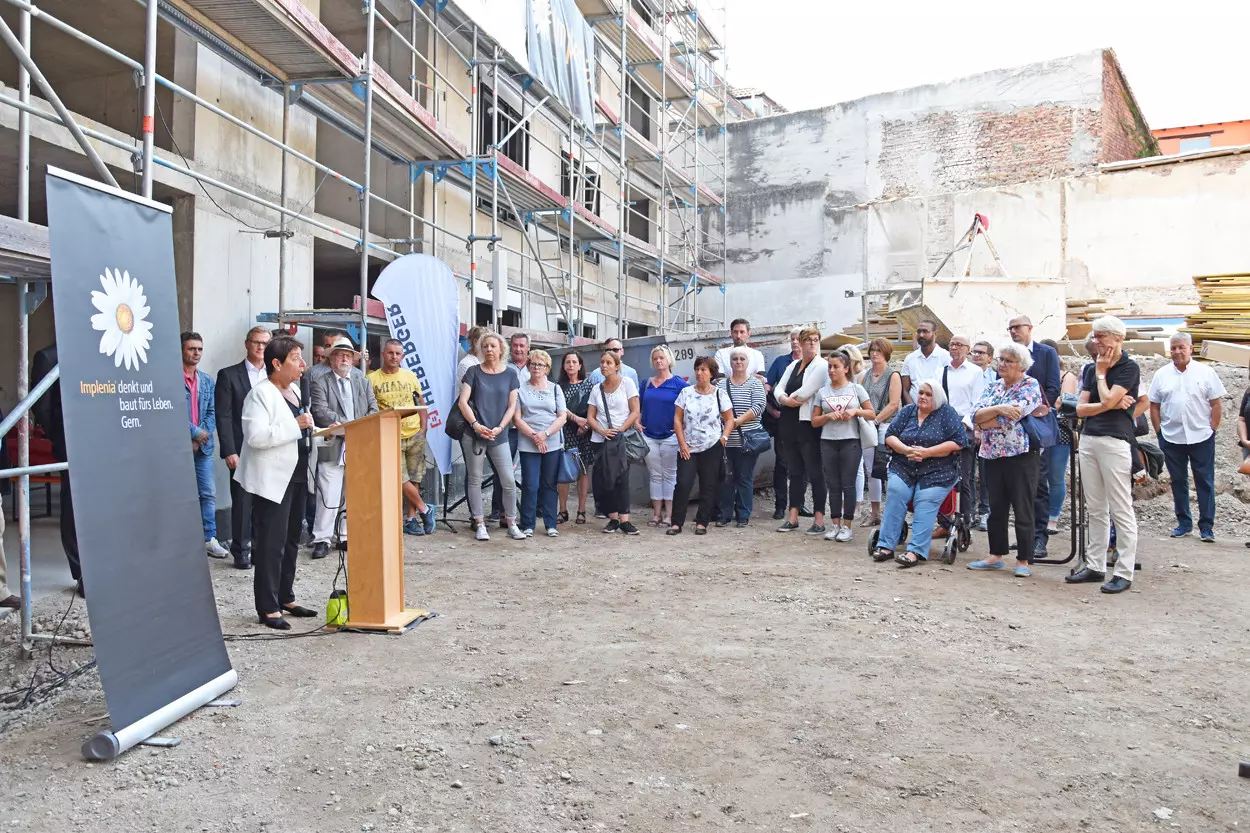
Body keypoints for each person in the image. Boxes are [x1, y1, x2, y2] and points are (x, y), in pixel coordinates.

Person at [235, 336, 318, 630]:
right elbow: (256, 437)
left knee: (293, 539)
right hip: (272, 480)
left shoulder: (295, 390)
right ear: (276, 363)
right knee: (272, 542)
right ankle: (267, 607)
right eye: (295, 358)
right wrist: (296, 426)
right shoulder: (260, 394)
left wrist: (325, 432)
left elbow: (304, 427)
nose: (301, 364)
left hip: (296, 475)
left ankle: (286, 596)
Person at [1067, 316, 1141, 594]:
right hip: (1089, 438)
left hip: (1115, 440)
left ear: (1118, 339)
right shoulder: (1088, 368)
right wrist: (1108, 403)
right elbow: (1080, 409)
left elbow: (1107, 398)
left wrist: (1101, 375)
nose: (1096, 341)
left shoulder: (1128, 367)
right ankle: (1095, 565)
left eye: (1101, 336)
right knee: (1095, 508)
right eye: (1095, 336)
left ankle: (1124, 571)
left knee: (1121, 508)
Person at [966, 343, 1045, 577]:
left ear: (1020, 365)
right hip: (991, 453)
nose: (1002, 364)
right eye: (1000, 360)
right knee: (996, 507)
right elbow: (974, 416)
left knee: (1023, 506)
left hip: (1020, 454)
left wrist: (988, 418)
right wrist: (999, 408)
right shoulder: (993, 386)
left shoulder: (1030, 385)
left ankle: (1023, 560)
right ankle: (996, 554)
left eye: (1008, 361)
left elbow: (1014, 416)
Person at [873, 381, 965, 566]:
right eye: (921, 393)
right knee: (896, 493)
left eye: (928, 394)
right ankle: (886, 545)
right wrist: (907, 450)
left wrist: (927, 452)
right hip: (904, 466)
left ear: (937, 398)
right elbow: (890, 435)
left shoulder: (947, 413)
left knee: (925, 500)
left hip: (938, 471)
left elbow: (958, 442)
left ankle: (915, 551)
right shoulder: (908, 411)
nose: (922, 396)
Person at [1149, 332, 1226, 543]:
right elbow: (1154, 405)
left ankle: (1207, 527)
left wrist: (1213, 428)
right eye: (1173, 348)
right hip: (1172, 438)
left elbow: (1216, 403)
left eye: (1181, 347)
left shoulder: (1206, 372)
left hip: (1202, 436)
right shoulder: (1161, 375)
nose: (1177, 352)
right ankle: (1184, 523)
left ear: (1191, 348)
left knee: (1205, 481)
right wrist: (1159, 432)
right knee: (1178, 481)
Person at [310, 335, 379, 558]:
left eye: (348, 356)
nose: (344, 359)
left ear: (353, 359)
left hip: (359, 443)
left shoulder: (363, 381)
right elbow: (319, 411)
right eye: (339, 355)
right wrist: (350, 425)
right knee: (328, 491)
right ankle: (322, 538)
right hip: (334, 442)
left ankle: (345, 535)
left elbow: (373, 408)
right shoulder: (321, 381)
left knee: (353, 492)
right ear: (331, 359)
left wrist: (361, 426)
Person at [458, 332, 524, 541]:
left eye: (492, 346)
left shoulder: (510, 374)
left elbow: (512, 406)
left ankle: (512, 522)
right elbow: (463, 402)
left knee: (508, 480)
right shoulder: (473, 371)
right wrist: (476, 425)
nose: (488, 350)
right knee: (475, 479)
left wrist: (500, 427)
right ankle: (479, 523)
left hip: (499, 434)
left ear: (501, 349)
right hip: (474, 434)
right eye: (485, 346)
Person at [216, 327, 271, 569]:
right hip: (241, 448)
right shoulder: (228, 375)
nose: (261, 348)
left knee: (265, 502)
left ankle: (260, 550)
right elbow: (224, 416)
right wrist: (229, 450)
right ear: (247, 344)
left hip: (270, 448)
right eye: (257, 343)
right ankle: (240, 551)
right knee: (242, 502)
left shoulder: (274, 374)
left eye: (265, 344)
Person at [368, 338, 435, 537]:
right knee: (399, 477)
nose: (394, 357)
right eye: (390, 353)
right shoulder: (372, 379)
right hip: (390, 434)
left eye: (398, 354)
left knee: (414, 478)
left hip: (414, 433)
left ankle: (411, 520)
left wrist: (424, 427)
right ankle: (425, 509)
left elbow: (420, 401)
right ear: (383, 354)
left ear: (403, 356)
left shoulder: (410, 375)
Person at [1008, 314, 1061, 558]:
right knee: (1018, 485)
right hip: (1012, 426)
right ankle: (1024, 537)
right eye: (1010, 328)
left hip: (1037, 425)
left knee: (1039, 482)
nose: (1014, 332)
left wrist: (1038, 409)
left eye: (1018, 327)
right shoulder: (1008, 354)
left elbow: (1052, 387)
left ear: (1030, 328)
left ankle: (1040, 538)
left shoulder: (1046, 353)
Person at [32, 344, 82, 595]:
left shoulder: (97, 350)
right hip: (69, 443)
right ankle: (81, 572)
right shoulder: (48, 357)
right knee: (74, 506)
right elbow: (41, 408)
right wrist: (60, 437)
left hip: (102, 442)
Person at [812, 351, 874, 542]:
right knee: (833, 484)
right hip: (828, 441)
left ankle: (847, 526)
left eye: (836, 366)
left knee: (848, 483)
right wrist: (826, 416)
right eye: (829, 366)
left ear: (846, 368)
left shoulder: (856, 389)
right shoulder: (822, 392)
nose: (831, 370)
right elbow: (814, 421)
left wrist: (855, 411)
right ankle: (835, 523)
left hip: (851, 440)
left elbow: (872, 413)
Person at [667, 357, 733, 535]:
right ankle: (676, 523)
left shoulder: (720, 394)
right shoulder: (686, 393)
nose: (699, 373)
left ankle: (702, 522)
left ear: (711, 373)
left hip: (712, 446)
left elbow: (729, 419)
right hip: (688, 446)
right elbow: (677, 419)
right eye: (697, 369)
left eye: (703, 369)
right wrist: (682, 444)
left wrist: (723, 438)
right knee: (682, 484)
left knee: (708, 485)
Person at [775, 328, 829, 535]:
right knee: (794, 471)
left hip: (808, 424)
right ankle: (793, 517)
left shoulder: (822, 366)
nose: (812, 344)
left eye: (816, 340)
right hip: (789, 423)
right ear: (801, 343)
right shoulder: (793, 365)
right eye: (808, 341)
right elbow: (779, 387)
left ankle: (819, 519)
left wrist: (789, 400)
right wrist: (784, 399)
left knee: (815, 473)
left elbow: (807, 392)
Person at [182, 332, 228, 558]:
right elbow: (170, 412)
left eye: (199, 349)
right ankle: (181, 540)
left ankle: (209, 538)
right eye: (192, 348)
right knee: (179, 494)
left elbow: (212, 412)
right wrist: (194, 432)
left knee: (208, 494)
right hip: (179, 447)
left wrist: (202, 434)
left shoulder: (207, 381)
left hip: (203, 447)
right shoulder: (171, 380)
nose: (196, 353)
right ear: (182, 350)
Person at [513, 349, 567, 537]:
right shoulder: (520, 389)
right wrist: (535, 436)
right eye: (533, 364)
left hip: (551, 442)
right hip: (529, 443)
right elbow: (517, 419)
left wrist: (545, 434)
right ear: (528, 366)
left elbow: (562, 416)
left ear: (547, 368)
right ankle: (527, 524)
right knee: (530, 484)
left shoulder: (555, 388)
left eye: (541, 364)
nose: (537, 367)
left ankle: (550, 524)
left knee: (549, 484)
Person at [587, 350, 641, 534]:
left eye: (609, 363)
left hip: (620, 439)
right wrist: (601, 430)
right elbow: (591, 416)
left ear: (617, 366)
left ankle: (625, 520)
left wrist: (621, 429)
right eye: (602, 362)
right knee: (605, 480)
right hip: (600, 440)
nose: (604, 366)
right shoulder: (597, 389)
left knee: (621, 478)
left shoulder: (627, 383)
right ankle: (613, 518)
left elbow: (634, 411)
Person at [639, 345, 688, 527]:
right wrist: (637, 422)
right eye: (655, 358)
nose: (659, 361)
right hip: (649, 435)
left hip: (670, 436)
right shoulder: (647, 383)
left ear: (669, 360)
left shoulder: (680, 384)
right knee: (655, 474)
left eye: (662, 358)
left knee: (670, 475)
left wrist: (682, 427)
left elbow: (687, 408)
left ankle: (669, 515)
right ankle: (656, 514)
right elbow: (638, 406)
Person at [717, 347, 767, 527]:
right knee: (726, 478)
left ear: (748, 362)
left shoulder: (755, 384)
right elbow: (717, 407)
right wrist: (729, 423)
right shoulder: (721, 385)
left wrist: (738, 421)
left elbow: (759, 406)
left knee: (744, 477)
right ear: (730, 363)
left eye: (742, 359)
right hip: (727, 440)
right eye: (735, 359)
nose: (738, 362)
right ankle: (725, 514)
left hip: (748, 439)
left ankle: (743, 515)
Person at [858, 339, 901, 527]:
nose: (874, 354)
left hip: (885, 424)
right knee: (871, 470)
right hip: (868, 423)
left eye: (878, 351)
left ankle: (892, 513)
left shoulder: (893, 375)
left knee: (887, 468)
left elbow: (893, 404)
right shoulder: (864, 376)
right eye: (872, 350)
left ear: (886, 353)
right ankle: (875, 512)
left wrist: (876, 420)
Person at [941, 334, 983, 528]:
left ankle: (966, 520)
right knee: (941, 475)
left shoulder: (975, 372)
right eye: (952, 345)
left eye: (959, 345)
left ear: (968, 349)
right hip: (944, 425)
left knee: (964, 477)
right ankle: (944, 520)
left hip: (965, 425)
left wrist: (966, 423)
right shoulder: (942, 371)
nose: (955, 348)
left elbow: (978, 401)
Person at [764, 328, 805, 520]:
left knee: (803, 462)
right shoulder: (781, 362)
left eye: (799, 339)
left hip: (805, 420)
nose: (795, 342)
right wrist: (771, 411)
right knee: (782, 463)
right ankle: (780, 506)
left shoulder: (814, 364)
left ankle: (799, 504)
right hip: (783, 420)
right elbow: (766, 387)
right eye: (793, 339)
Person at [1041, 338, 1080, 534]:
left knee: (1055, 476)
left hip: (1059, 432)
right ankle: (1039, 516)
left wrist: (1041, 406)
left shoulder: (1068, 376)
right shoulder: (1039, 375)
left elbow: (1065, 403)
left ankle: (1053, 517)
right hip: (1039, 430)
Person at [558, 351, 594, 525]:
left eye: (574, 362)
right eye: (567, 362)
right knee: (564, 471)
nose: (571, 365)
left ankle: (581, 510)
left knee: (583, 471)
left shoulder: (590, 385)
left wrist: (585, 425)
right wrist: (577, 420)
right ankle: (563, 510)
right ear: (563, 366)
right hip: (565, 432)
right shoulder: (558, 386)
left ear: (580, 366)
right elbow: (559, 409)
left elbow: (595, 408)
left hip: (584, 434)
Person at [970, 339, 997, 530]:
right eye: (974, 352)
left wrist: (983, 427)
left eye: (981, 353)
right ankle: (969, 511)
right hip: (970, 429)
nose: (977, 355)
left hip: (989, 431)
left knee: (987, 475)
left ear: (990, 357)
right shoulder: (968, 375)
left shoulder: (996, 377)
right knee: (968, 473)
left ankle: (985, 512)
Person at [900, 320, 950, 405]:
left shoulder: (946, 357)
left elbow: (950, 387)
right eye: (918, 331)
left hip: (939, 410)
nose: (921, 335)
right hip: (915, 410)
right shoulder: (910, 358)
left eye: (925, 331)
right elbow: (905, 390)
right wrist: (913, 410)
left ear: (935, 334)